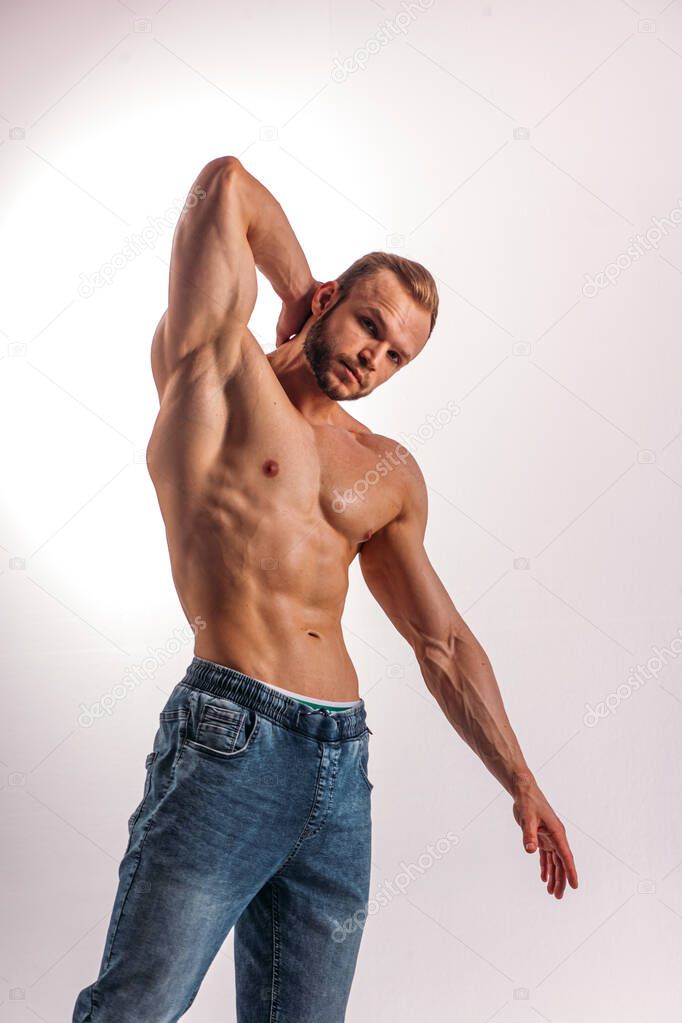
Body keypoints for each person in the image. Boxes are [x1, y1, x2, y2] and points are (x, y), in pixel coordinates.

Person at [73, 155, 578, 1022]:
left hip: (341, 767)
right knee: (135, 1005)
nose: (373, 357)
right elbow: (224, 187)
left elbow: (441, 643)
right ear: (331, 298)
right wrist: (298, 286)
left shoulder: (384, 471)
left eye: (395, 355)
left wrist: (520, 777)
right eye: (368, 325)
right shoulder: (217, 372)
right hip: (229, 737)